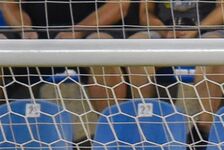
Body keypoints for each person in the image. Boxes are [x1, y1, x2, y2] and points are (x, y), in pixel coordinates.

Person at [0, 0, 134, 112]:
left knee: (102, 50)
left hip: (94, 28)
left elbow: (119, 6)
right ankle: (5, 132)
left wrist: (77, 31)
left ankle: (111, 134)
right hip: (37, 32)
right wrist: (25, 30)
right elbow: (9, 5)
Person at [129, 0, 224, 140]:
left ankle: (204, 131)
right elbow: (145, 13)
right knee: (134, 46)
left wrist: (195, 29)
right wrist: (163, 30)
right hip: (163, 31)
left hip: (207, 29)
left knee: (214, 48)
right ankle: (145, 126)